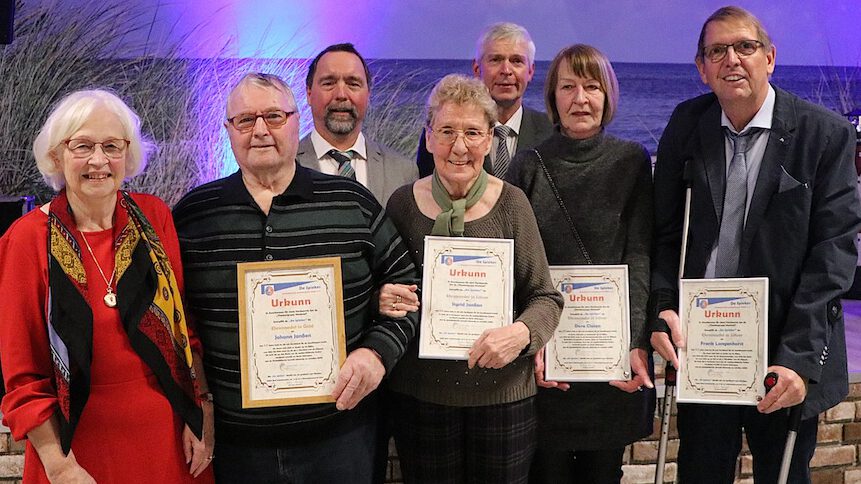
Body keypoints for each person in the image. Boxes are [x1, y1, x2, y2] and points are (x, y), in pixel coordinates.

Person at [172, 72, 420, 484]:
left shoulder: (351, 201)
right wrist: (195, 403)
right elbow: (177, 323)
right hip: (236, 448)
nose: (261, 130)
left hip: (342, 438)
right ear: (228, 130)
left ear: (296, 121)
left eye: (273, 115)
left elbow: (407, 288)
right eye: (245, 120)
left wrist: (377, 354)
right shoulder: (195, 215)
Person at [649, 6, 861, 483]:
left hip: (785, 352)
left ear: (770, 58)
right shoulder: (687, 124)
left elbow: (833, 256)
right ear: (702, 69)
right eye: (717, 51)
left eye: (745, 47)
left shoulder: (824, 135)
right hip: (706, 347)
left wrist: (798, 359)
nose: (732, 60)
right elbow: (666, 235)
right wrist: (661, 308)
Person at [0, 89, 214, 483]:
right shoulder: (27, 239)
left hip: (167, 441)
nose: (98, 161)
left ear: (127, 155)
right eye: (82, 145)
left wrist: (201, 412)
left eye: (112, 146)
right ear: (56, 155)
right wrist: (60, 466)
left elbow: (186, 334)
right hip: (75, 449)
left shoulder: (154, 217)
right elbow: (23, 377)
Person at [383, 73, 563, 483]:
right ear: (428, 138)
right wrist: (384, 296)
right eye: (446, 131)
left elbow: (546, 298)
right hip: (420, 397)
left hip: (502, 397)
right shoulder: (403, 205)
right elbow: (388, 286)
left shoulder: (513, 204)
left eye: (472, 132)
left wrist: (520, 334)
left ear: (489, 140)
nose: (459, 146)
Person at [506, 44, 655, 483]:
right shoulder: (527, 165)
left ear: (608, 96)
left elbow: (639, 255)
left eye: (592, 87)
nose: (581, 98)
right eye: (568, 87)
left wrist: (635, 340)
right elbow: (517, 266)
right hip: (548, 360)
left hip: (612, 360)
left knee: (603, 472)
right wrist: (531, 343)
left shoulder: (631, 161)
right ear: (552, 98)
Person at [415, 23, 553, 179]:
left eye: (516, 61)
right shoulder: (440, 134)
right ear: (476, 68)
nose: (506, 71)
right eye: (495, 60)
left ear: (530, 71)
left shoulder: (551, 133)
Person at [297, 43, 418, 205]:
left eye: (353, 84)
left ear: (368, 95)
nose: (341, 94)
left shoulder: (403, 172)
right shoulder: (284, 166)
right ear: (309, 94)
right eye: (329, 83)